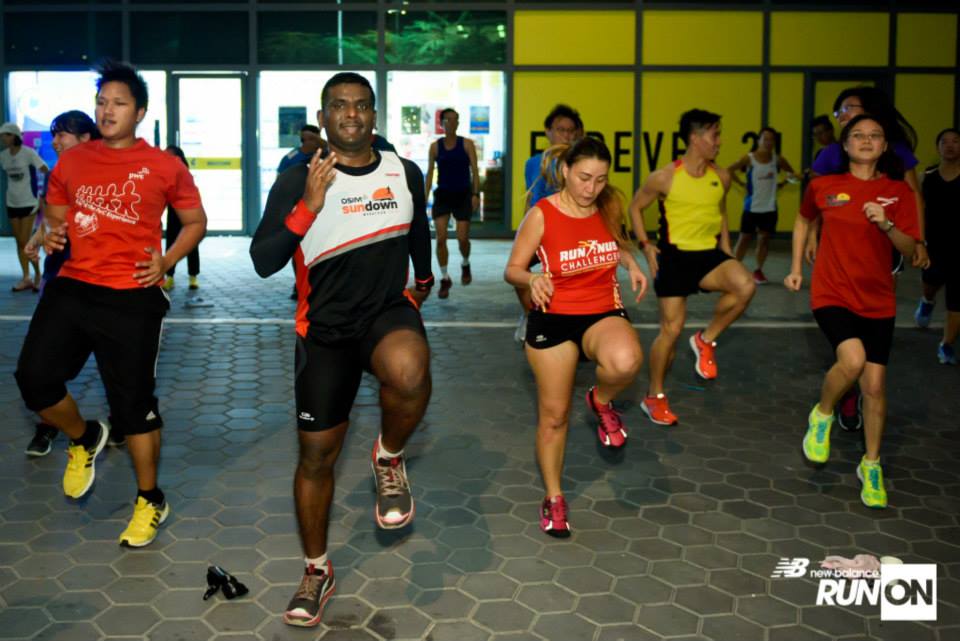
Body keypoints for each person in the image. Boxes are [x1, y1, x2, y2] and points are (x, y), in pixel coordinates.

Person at [250, 72, 434, 628]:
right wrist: (307, 205)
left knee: (409, 370)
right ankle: (316, 569)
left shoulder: (404, 171)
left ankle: (389, 457)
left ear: (374, 115)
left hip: (385, 311)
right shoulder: (298, 177)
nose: (351, 114)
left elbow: (418, 227)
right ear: (324, 116)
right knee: (316, 459)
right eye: (339, 105)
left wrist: (423, 275)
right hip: (324, 332)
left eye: (361, 105)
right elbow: (263, 261)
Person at [14, 61, 207, 546]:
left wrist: (166, 262)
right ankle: (83, 438)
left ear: (139, 111)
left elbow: (195, 221)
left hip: (132, 296)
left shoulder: (165, 165)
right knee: (33, 378)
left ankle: (150, 499)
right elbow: (56, 221)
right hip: (76, 285)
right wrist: (48, 234)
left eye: (118, 103)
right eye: (101, 102)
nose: (107, 110)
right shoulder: (74, 162)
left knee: (134, 408)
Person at [505, 136, 647, 537]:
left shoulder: (608, 203)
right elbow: (512, 269)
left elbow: (613, 242)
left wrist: (632, 262)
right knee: (555, 417)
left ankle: (600, 400)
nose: (591, 188)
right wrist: (532, 276)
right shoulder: (542, 214)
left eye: (601, 180)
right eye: (584, 178)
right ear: (565, 171)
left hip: (602, 309)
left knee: (627, 362)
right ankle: (553, 497)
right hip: (553, 318)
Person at [785, 114, 919, 509]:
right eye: (857, 135)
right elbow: (802, 218)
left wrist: (887, 223)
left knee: (875, 388)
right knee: (853, 360)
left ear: (883, 147)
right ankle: (822, 413)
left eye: (874, 136)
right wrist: (795, 268)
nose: (866, 140)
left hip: (878, 299)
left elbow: (910, 249)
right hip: (832, 293)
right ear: (844, 146)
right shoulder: (823, 185)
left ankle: (871, 464)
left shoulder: (898, 193)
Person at [810, 86, 927, 432]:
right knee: (849, 343)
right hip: (842, 251)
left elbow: (914, 196)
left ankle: (862, 386)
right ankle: (846, 396)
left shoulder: (895, 151)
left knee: (869, 321)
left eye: (849, 108)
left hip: (884, 246)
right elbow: (817, 197)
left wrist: (920, 240)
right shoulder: (834, 152)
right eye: (839, 113)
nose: (843, 115)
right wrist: (812, 237)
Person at [628, 109, 756, 426]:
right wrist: (646, 246)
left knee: (745, 286)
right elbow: (635, 207)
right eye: (714, 135)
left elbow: (721, 212)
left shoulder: (721, 177)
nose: (719, 142)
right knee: (670, 332)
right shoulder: (665, 176)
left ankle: (705, 340)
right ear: (695, 138)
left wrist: (727, 252)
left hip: (707, 254)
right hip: (673, 256)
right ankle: (654, 396)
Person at [21, 110, 102, 458]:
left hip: (100, 286)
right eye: (55, 134)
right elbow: (55, 215)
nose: (55, 140)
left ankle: (124, 423)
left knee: (112, 361)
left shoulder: (102, 174)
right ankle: (49, 426)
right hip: (59, 281)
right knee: (45, 363)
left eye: (63, 134)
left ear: (86, 138)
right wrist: (38, 237)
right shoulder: (59, 172)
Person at [514, 105, 581, 344]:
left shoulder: (580, 164)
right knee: (517, 273)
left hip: (571, 234)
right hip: (540, 230)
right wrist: (522, 232)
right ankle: (531, 316)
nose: (566, 135)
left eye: (571, 131)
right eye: (560, 129)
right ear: (548, 132)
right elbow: (531, 200)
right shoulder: (533, 163)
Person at [728, 126, 799, 283]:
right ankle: (733, 270)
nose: (768, 142)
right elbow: (730, 170)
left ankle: (758, 271)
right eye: (765, 139)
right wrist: (741, 184)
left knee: (764, 240)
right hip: (752, 207)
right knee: (744, 239)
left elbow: (793, 175)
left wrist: (782, 184)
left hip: (770, 208)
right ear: (758, 140)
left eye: (771, 139)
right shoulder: (749, 158)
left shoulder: (778, 159)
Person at [914, 128, 960, 364]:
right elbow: (917, 209)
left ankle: (947, 344)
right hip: (934, 245)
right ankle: (927, 301)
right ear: (938, 147)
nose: (950, 145)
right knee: (931, 283)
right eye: (945, 142)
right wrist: (918, 240)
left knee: (956, 301)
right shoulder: (927, 177)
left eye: (955, 141)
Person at [424, 108, 481, 298]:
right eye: (448, 120)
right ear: (442, 123)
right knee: (440, 239)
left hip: (463, 195)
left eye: (456, 119)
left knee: (462, 239)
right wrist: (424, 197)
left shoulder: (467, 144)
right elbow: (430, 173)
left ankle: (465, 263)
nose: (452, 123)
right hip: (443, 196)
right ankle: (445, 277)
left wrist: (475, 194)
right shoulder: (435, 147)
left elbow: (474, 169)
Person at [1, 122, 49, 292]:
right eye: (1, 135)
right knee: (19, 242)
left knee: (25, 241)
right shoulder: (4, 156)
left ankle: (37, 274)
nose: (2, 138)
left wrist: (43, 194)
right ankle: (26, 277)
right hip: (11, 202)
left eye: (5, 135)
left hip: (29, 202)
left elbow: (45, 169)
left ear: (14, 136)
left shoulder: (28, 153)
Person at [161, 146, 201, 291]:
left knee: (191, 245)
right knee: (171, 244)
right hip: (173, 215)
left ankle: (193, 276)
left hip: (188, 213)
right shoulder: (164, 171)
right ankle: (169, 276)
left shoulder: (182, 170)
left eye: (170, 156)